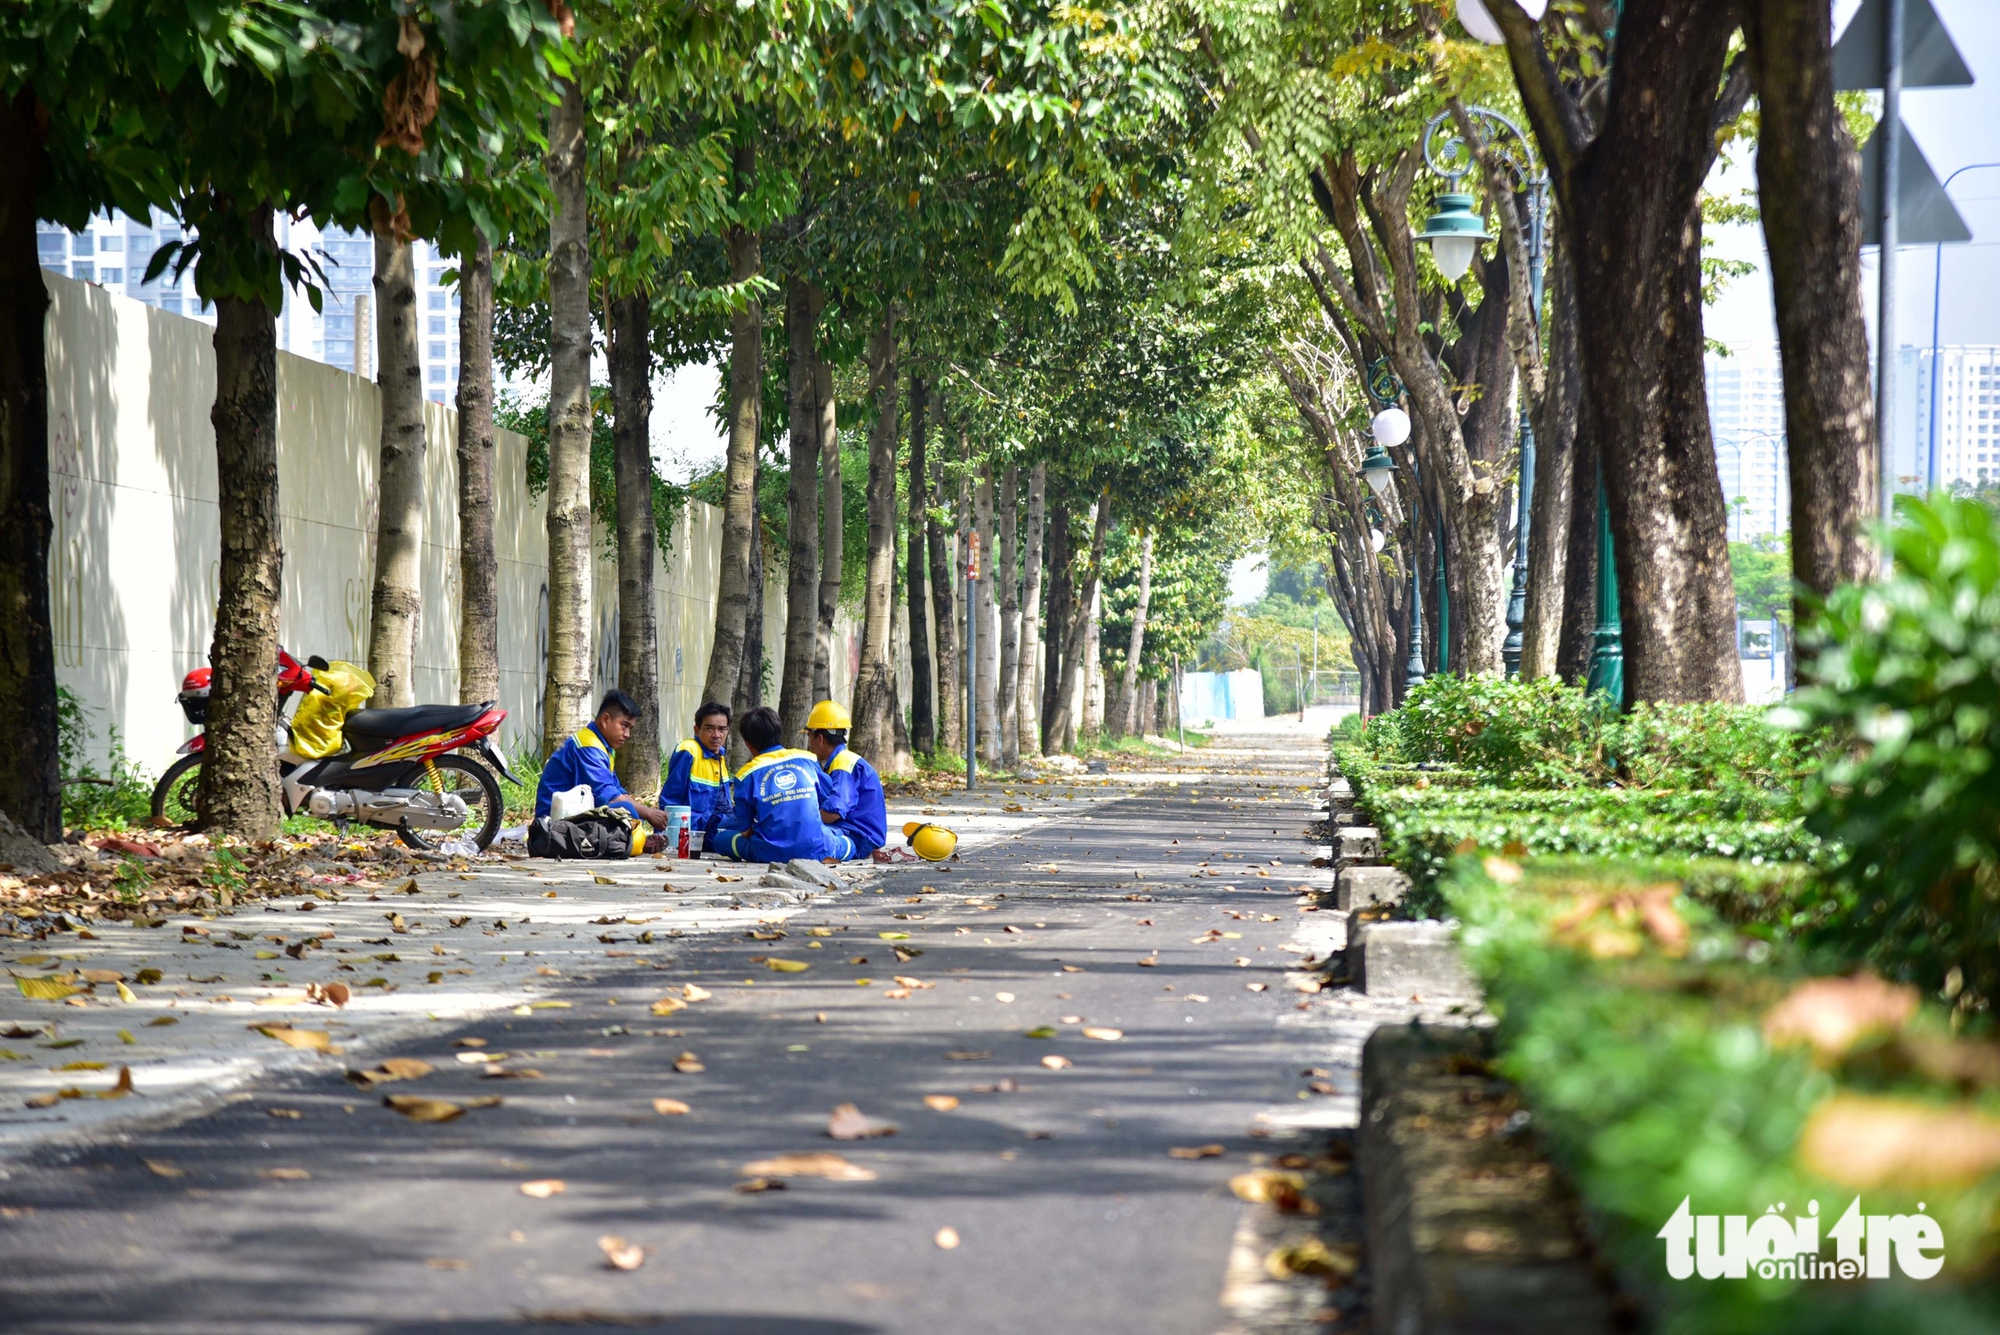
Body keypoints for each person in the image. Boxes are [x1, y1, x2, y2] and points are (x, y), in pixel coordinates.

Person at [534, 689, 671, 830]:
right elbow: (609, 797)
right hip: (552, 826)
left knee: (626, 810)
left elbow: (617, 791)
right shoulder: (589, 747)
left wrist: (649, 812)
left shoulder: (601, 746)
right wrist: (648, 814)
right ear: (605, 720)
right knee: (623, 810)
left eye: (630, 728)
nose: (627, 734)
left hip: (567, 819)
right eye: (624, 725)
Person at [713, 705, 834, 863]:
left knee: (721, 839)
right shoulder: (808, 759)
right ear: (779, 733)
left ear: (748, 743)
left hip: (769, 854)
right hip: (815, 850)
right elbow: (825, 797)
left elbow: (746, 831)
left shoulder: (746, 774)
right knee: (846, 843)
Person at [802, 700, 886, 861]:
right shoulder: (841, 761)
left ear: (819, 738)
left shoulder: (843, 764)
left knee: (804, 837)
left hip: (859, 837)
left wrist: (804, 821)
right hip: (854, 831)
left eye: (809, 737)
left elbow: (833, 812)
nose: (809, 744)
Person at [659, 701, 733, 846]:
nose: (716, 735)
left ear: (727, 731)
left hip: (722, 825)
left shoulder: (720, 756)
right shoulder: (689, 751)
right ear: (697, 730)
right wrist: (671, 839)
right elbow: (671, 799)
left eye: (722, 729)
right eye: (709, 729)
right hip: (697, 832)